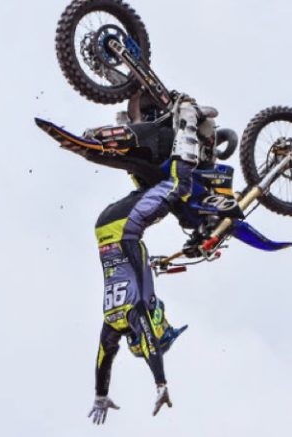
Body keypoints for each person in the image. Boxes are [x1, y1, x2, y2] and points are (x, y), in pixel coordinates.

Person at [87, 92, 208, 425]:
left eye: (162, 326)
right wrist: (99, 394)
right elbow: (103, 359)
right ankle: (130, 126)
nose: (162, 319)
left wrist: (160, 383)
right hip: (105, 228)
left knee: (178, 186)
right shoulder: (111, 325)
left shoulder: (134, 315)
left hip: (125, 226)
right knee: (153, 185)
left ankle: (187, 117)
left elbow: (151, 346)